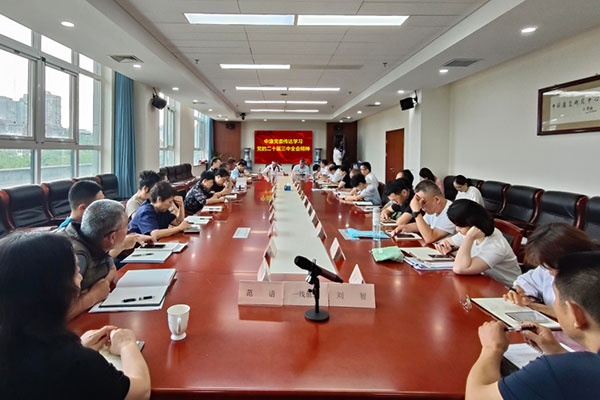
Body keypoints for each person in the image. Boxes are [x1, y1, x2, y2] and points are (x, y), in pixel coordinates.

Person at [0, 232, 151, 400]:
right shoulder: (73, 362)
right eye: (76, 271)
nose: (80, 278)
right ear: (58, 288)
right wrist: (127, 344)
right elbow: (140, 391)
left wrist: (81, 347)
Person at [465, 251, 600, 400]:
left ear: (576, 314)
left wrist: (492, 348)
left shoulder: (556, 371)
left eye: (556, 298)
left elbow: (475, 396)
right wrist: (556, 351)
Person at [63, 199, 152, 318]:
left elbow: (111, 269)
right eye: (127, 226)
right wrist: (93, 296)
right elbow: (58, 314)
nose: (129, 230)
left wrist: (101, 284)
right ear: (112, 237)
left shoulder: (92, 239)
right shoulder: (76, 257)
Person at [503, 223, 598, 317]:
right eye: (546, 267)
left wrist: (534, 306)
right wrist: (519, 293)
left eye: (554, 268)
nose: (550, 273)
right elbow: (528, 282)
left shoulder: (591, 279)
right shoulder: (549, 265)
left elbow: (577, 317)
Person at [434, 199, 520, 287]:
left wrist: (469, 238)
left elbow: (459, 269)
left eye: (460, 226)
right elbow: (447, 242)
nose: (457, 229)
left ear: (473, 224)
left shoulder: (496, 245)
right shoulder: (473, 232)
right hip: (481, 282)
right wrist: (445, 246)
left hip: (504, 289)